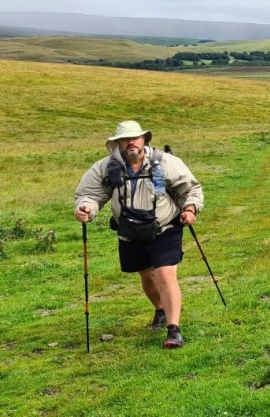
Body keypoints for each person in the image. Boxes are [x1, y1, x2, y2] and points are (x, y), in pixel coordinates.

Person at [74, 120, 204, 349]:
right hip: (130, 231)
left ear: (144, 139)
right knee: (148, 278)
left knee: (165, 275)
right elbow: (89, 195)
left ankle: (174, 330)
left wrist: (190, 209)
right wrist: (86, 208)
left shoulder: (165, 162)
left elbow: (190, 188)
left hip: (165, 226)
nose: (130, 142)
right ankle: (160, 310)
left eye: (135, 137)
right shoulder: (105, 168)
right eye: (125, 139)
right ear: (117, 144)